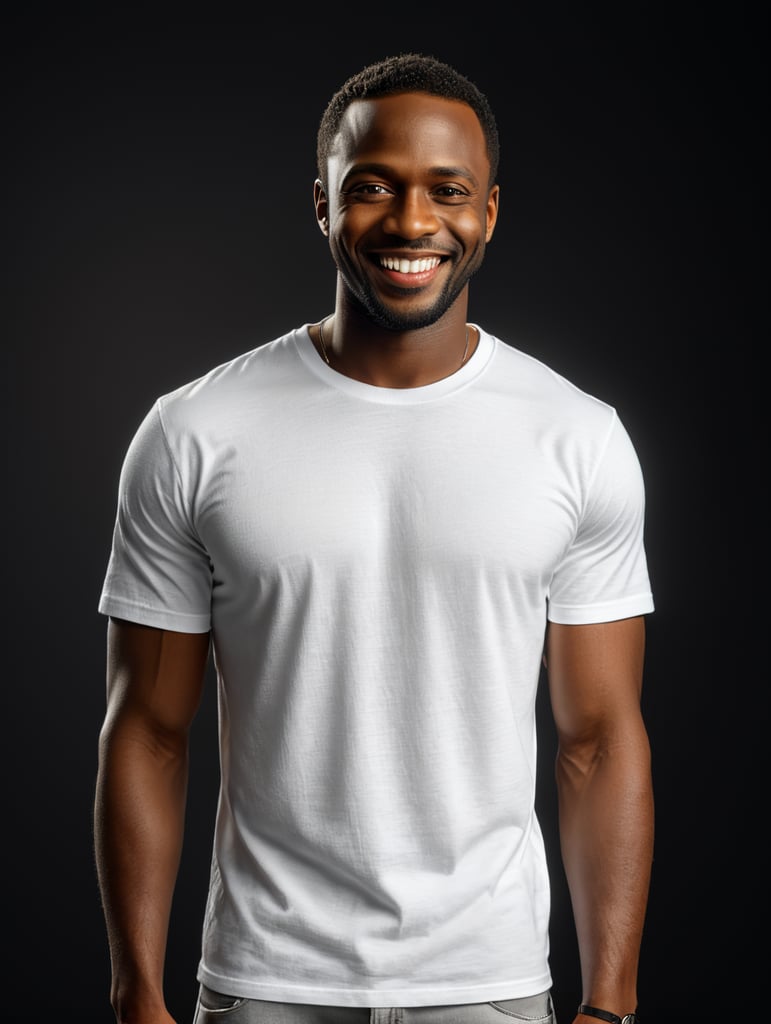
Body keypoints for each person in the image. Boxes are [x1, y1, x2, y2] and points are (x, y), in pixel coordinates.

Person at [94, 53, 654, 1024]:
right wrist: (136, 995)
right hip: (266, 980)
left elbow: (599, 740)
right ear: (322, 206)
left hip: (489, 982)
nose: (410, 222)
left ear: (489, 211)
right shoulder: (194, 432)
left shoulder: (576, 437)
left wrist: (611, 1001)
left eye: (448, 191)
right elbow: (147, 728)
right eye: (372, 188)